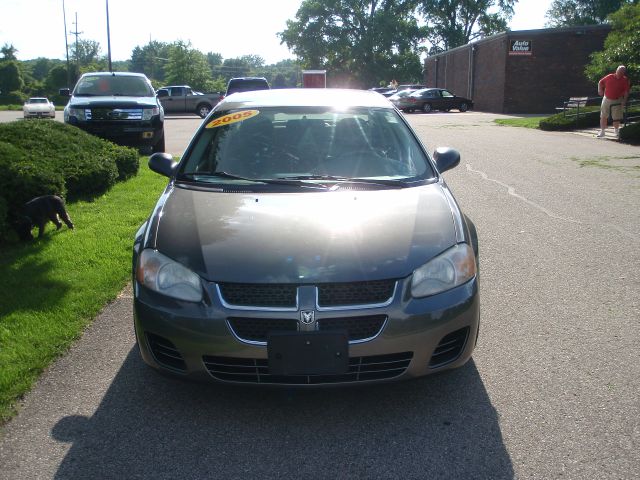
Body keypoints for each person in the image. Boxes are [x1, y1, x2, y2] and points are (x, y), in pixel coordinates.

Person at [597, 65, 631, 139]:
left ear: (624, 73)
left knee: (616, 117)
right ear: (616, 70)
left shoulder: (625, 80)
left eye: (622, 72)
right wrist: (600, 90)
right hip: (606, 98)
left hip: (617, 99)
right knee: (603, 115)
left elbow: (626, 91)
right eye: (619, 71)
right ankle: (602, 132)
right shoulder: (609, 76)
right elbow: (600, 82)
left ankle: (616, 131)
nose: (620, 73)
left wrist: (624, 101)